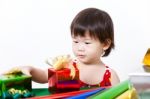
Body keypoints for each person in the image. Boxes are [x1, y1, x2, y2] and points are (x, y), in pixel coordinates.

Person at [5, 8, 120, 87]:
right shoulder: (68, 67)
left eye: (87, 43)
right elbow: (45, 76)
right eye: (75, 41)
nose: (80, 48)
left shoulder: (110, 76)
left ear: (105, 44)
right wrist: (30, 69)